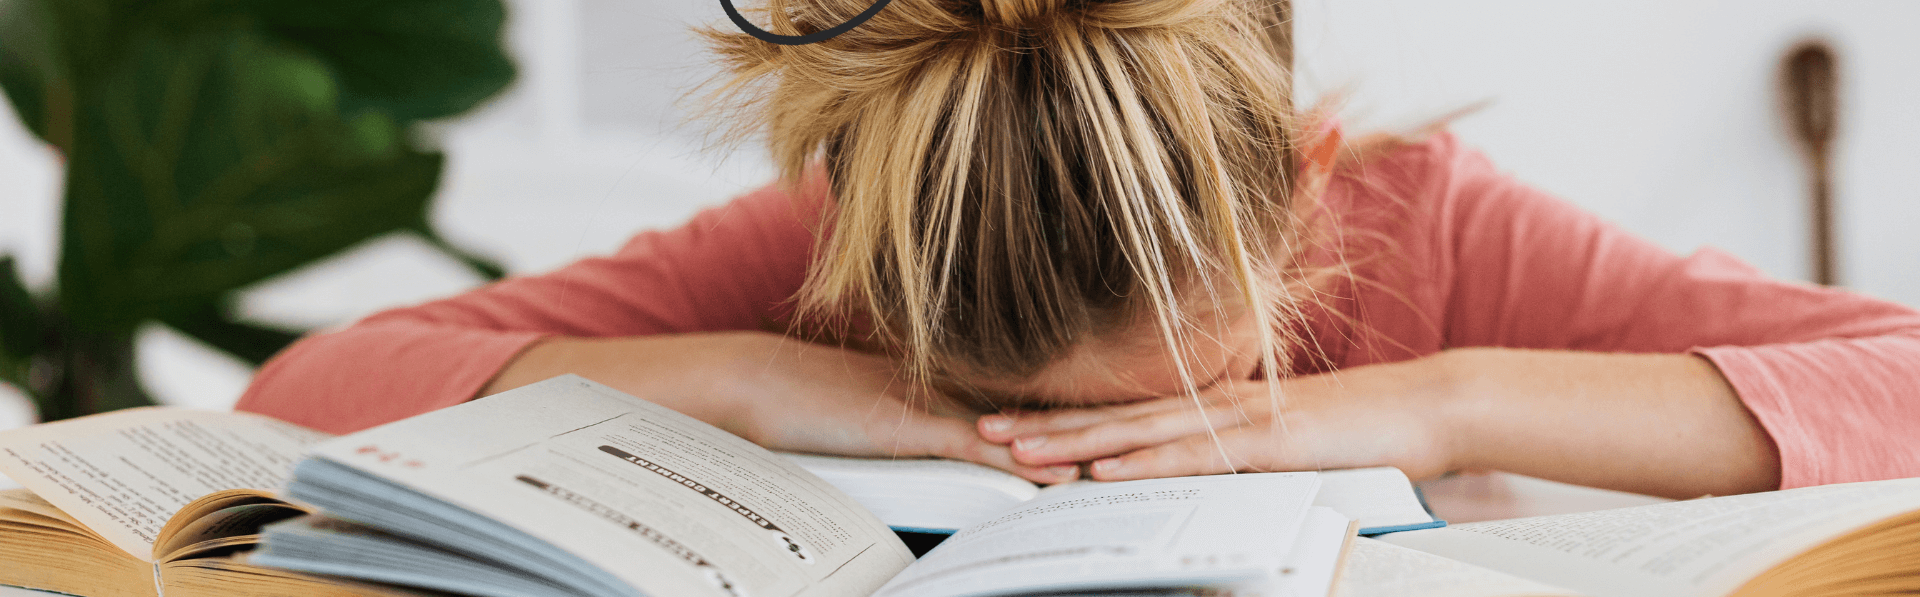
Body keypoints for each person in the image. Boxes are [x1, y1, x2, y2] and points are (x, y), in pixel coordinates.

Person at [237, 0, 1920, 500]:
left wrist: (1440, 404)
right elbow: (310, 392)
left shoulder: (1422, 229)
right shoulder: (838, 242)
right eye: (1012, 425)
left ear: (1301, 188)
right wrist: (760, 379)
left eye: (1190, 403)